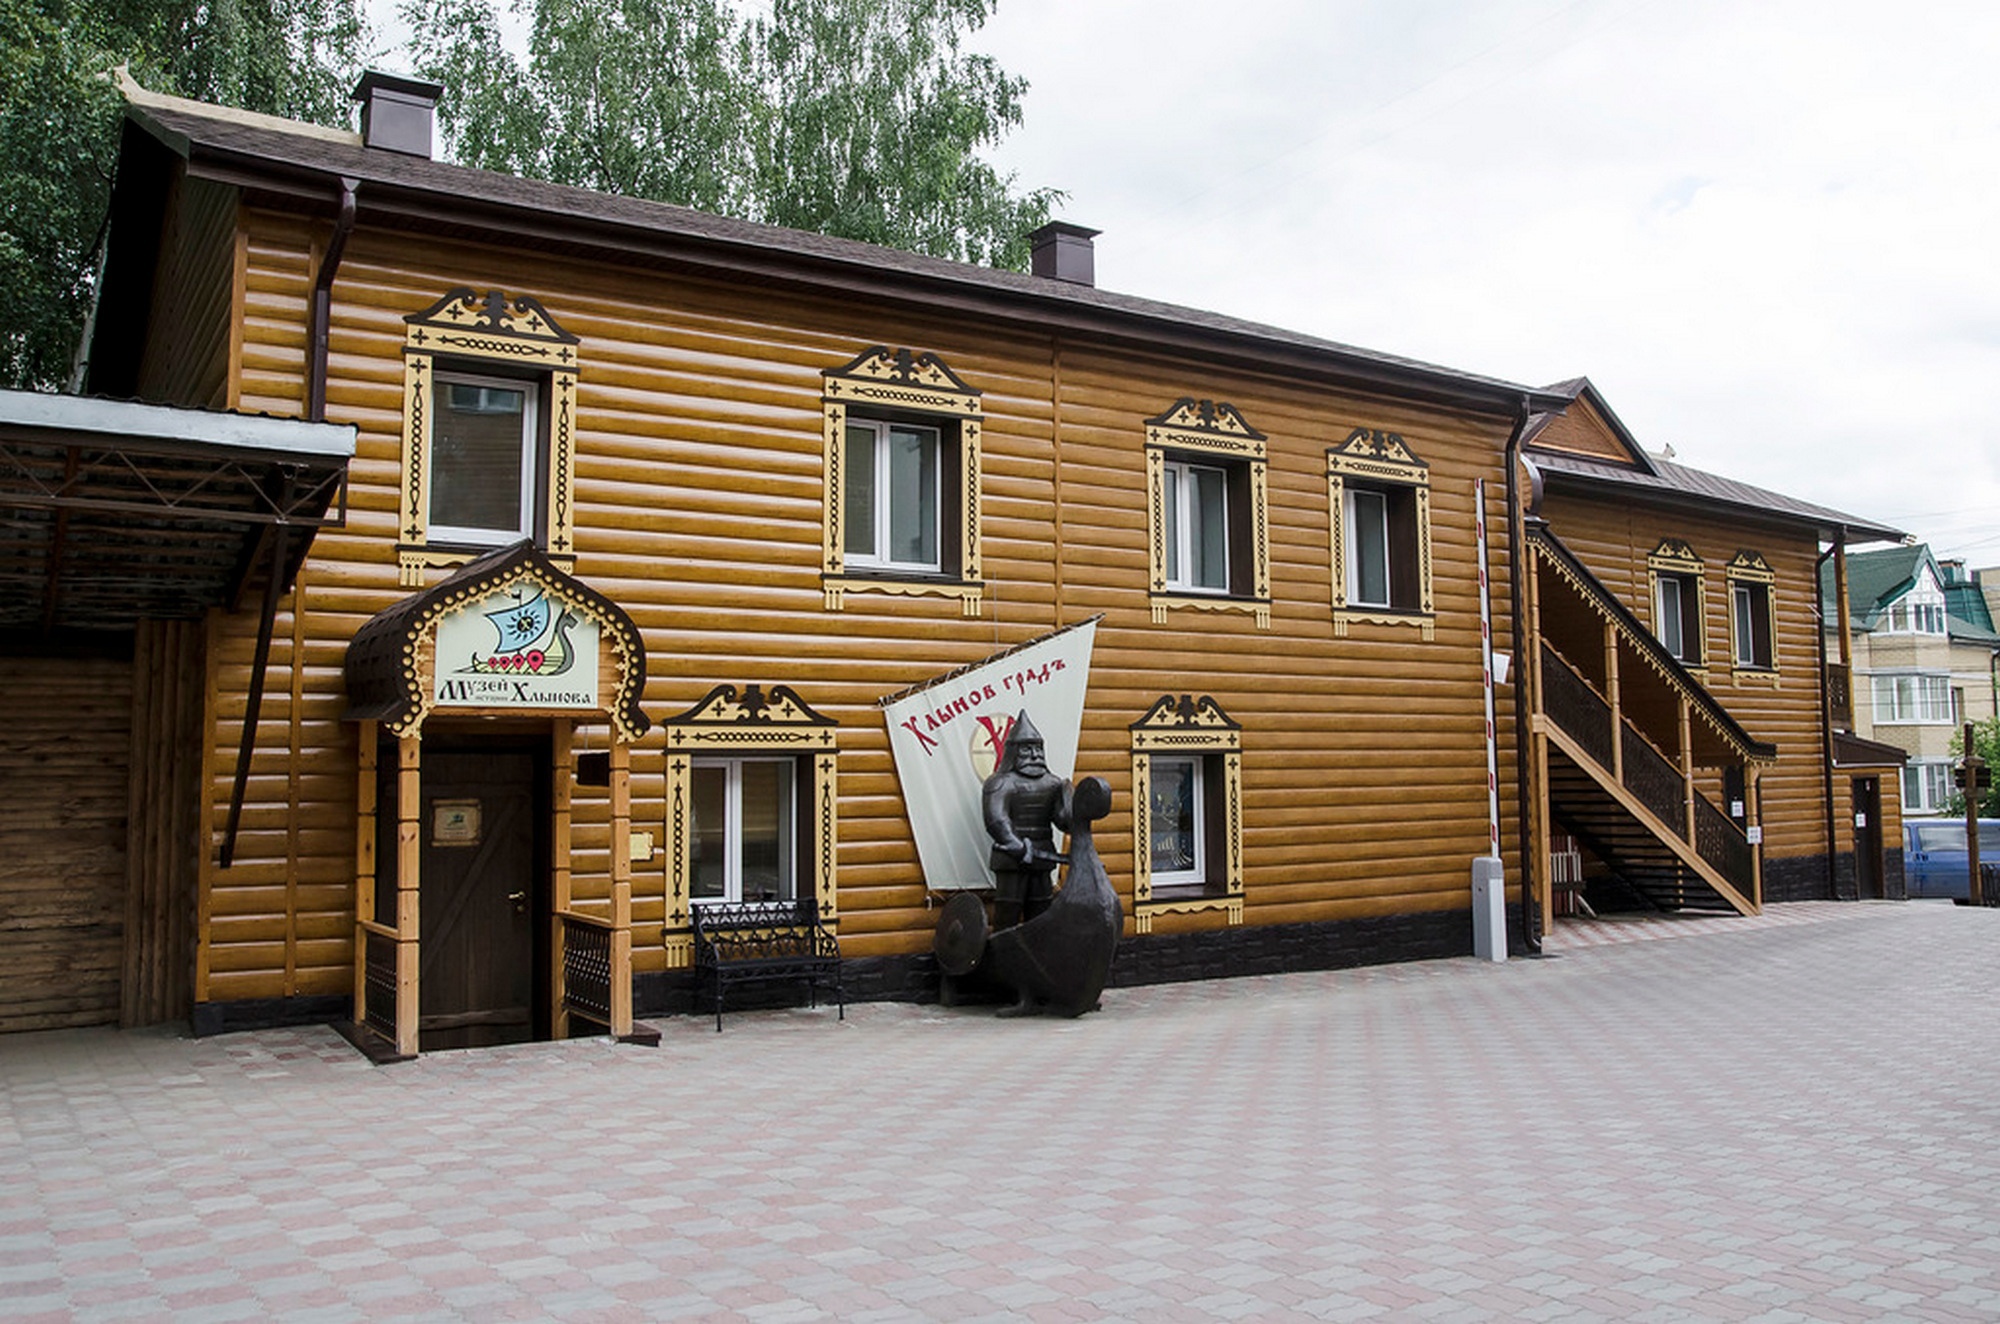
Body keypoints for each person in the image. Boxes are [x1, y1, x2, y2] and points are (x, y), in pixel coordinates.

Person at [981, 711, 1071, 930]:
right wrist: (1016, 845)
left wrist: (1069, 805)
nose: (1034, 755)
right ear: (1013, 751)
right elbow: (996, 819)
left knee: (1041, 914)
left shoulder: (1053, 783)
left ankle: (1037, 950)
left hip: (1042, 855)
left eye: (1038, 748)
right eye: (1026, 749)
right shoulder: (1000, 783)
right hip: (1011, 858)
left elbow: (1061, 821)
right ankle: (1002, 952)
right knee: (1007, 913)